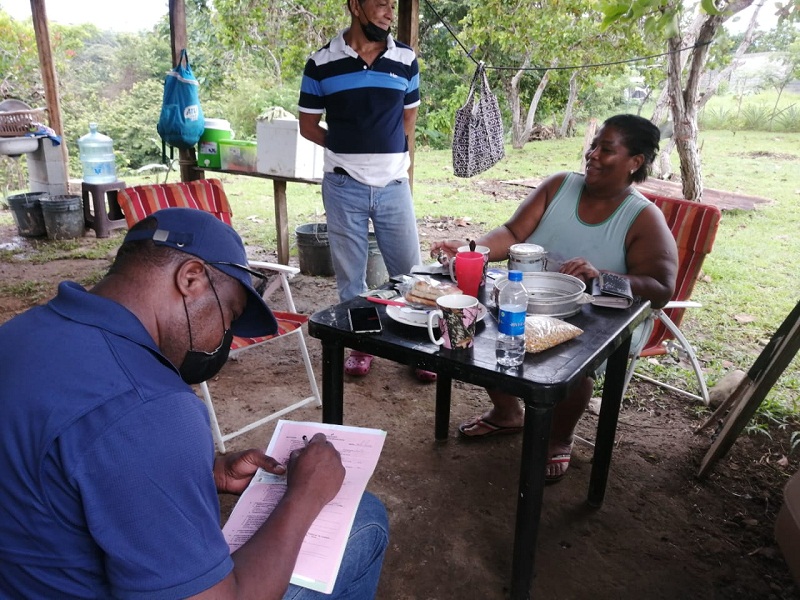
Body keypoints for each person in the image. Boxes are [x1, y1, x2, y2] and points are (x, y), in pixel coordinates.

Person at [0, 207, 388, 599]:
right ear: (191, 279)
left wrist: (205, 470)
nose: (224, 338)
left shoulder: (20, 334)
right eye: (229, 314)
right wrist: (305, 496)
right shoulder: (149, 407)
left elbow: (73, 465)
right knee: (365, 518)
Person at [430, 114, 679, 482]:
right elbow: (513, 232)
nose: (592, 155)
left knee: (571, 369)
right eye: (593, 146)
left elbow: (661, 287)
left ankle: (559, 437)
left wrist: (601, 276)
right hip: (529, 299)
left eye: (606, 150)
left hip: (598, 318)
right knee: (477, 332)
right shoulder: (559, 185)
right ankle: (507, 413)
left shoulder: (643, 218)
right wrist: (473, 249)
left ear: (635, 162)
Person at [298, 0, 435, 382]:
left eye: (392, 4)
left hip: (394, 185)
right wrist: (347, 147)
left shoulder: (405, 59)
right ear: (355, 6)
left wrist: (384, 156)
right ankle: (362, 343)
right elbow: (308, 126)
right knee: (351, 278)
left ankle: (418, 346)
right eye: (380, 3)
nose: (389, 11)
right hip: (343, 186)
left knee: (410, 272)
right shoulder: (321, 63)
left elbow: (408, 117)